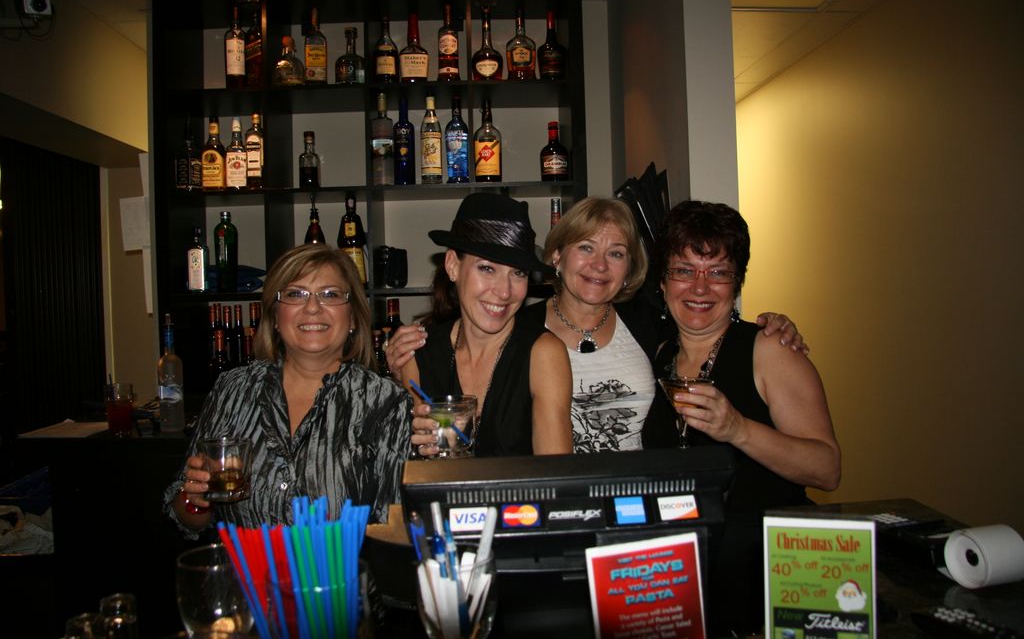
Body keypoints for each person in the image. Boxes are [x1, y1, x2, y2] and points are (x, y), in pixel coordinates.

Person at [388, 196, 808, 454]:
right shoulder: (521, 327)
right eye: (586, 247)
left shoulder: (650, 324)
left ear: (630, 269)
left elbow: (702, 319)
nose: (600, 266)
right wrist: (397, 372)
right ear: (557, 256)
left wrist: (769, 326)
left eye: (616, 254)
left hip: (641, 503)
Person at [642, 200, 840, 633]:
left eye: (718, 272)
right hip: (688, 575)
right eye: (684, 270)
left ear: (737, 283)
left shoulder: (770, 349)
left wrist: (738, 429)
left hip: (768, 576)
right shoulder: (658, 354)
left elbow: (827, 469)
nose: (700, 287)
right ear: (663, 281)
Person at [164, 244, 418, 537]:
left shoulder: (385, 403)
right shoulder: (232, 389)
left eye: (330, 294)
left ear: (352, 318)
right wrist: (195, 499)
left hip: (339, 569)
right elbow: (185, 517)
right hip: (245, 568)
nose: (312, 307)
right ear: (274, 316)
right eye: (296, 294)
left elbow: (393, 529)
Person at [395, 192, 573, 457]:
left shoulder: (543, 354)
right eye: (487, 269)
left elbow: (556, 473)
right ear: (453, 266)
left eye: (518, 273)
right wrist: (411, 444)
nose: (504, 291)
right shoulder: (419, 352)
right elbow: (404, 466)